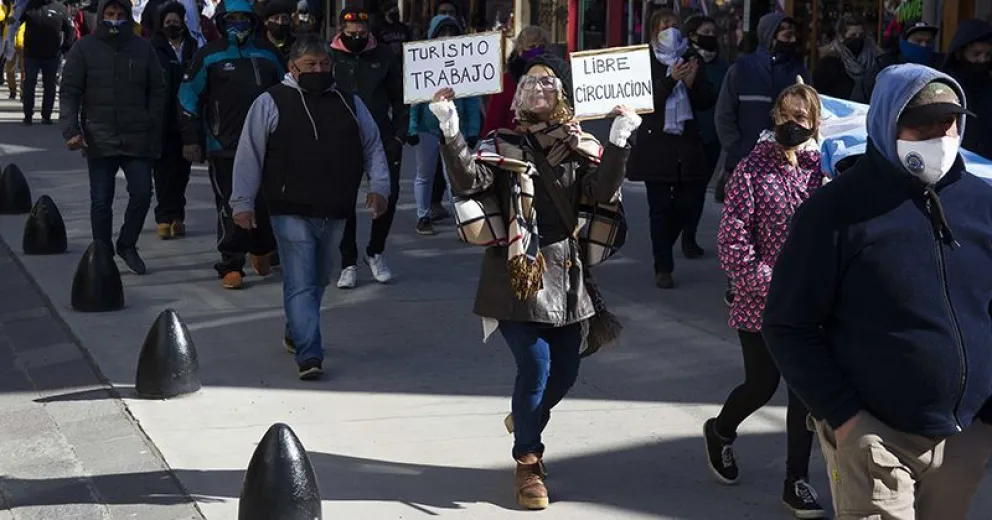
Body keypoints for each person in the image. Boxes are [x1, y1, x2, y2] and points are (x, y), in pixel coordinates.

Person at [763, 64, 992, 520]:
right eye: (921, 124)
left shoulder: (983, 204)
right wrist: (845, 418)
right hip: (875, 438)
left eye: (947, 123)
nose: (938, 137)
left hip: (966, 436)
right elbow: (788, 324)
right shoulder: (834, 212)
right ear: (886, 122)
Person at [436, 52, 640, 510]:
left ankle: (525, 418)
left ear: (562, 95)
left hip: (567, 272)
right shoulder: (501, 141)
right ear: (518, 96)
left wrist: (620, 141)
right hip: (516, 270)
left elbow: (602, 192)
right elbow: (469, 181)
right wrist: (450, 130)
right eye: (531, 84)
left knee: (565, 372)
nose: (540, 90)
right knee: (536, 367)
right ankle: (528, 460)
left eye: (548, 84)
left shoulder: (579, 144)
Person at [230, 36, 390, 380]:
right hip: (289, 207)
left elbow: (373, 145)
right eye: (311, 65)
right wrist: (241, 201)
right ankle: (309, 353)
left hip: (335, 207)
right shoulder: (270, 102)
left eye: (325, 64)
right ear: (292, 68)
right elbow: (249, 155)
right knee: (300, 279)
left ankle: (296, 328)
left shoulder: (350, 102)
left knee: (318, 278)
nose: (319, 70)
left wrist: (380, 188)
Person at [703, 82, 826, 519]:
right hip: (763, 302)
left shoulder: (821, 171)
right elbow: (732, 244)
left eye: (803, 119)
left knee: (804, 396)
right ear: (774, 117)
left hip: (811, 306)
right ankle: (720, 432)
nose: (793, 126)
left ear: (815, 125)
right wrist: (770, 282)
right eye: (786, 117)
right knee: (762, 385)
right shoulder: (750, 171)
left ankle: (797, 480)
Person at [179, 0, 285, 289]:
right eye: (232, 18)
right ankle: (231, 263)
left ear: (253, 21)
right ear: (223, 21)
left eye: (244, 18)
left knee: (264, 203)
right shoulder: (209, 55)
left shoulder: (267, 53)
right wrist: (191, 138)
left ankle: (262, 249)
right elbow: (188, 98)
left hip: (267, 144)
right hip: (223, 144)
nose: (239, 23)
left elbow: (287, 90)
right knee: (231, 203)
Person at [59, 0, 166, 275]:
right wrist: (71, 130)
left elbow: (158, 89)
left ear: (128, 17)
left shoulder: (143, 48)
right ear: (101, 16)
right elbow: (70, 91)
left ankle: (127, 244)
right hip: (100, 136)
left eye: (120, 15)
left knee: (142, 194)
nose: (115, 19)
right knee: (101, 201)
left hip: (136, 136)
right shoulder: (84, 49)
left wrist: (151, 121)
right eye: (109, 14)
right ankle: (102, 253)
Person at [714, 11, 808, 305]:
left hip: (786, 164)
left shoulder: (798, 71)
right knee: (741, 227)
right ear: (769, 35)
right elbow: (724, 115)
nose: (790, 40)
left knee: (780, 227)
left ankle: (775, 282)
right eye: (785, 35)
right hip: (744, 162)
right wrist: (738, 150)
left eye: (793, 36)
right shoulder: (741, 69)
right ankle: (738, 282)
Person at [627, 9, 717, 289]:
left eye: (675, 25)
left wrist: (691, 85)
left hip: (686, 144)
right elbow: (642, 101)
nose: (671, 29)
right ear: (654, 31)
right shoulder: (645, 60)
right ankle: (662, 265)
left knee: (688, 202)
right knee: (660, 208)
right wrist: (670, 80)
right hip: (657, 144)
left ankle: (666, 241)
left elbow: (707, 99)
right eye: (665, 26)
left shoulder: (691, 58)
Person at [330, 6, 407, 289]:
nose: (357, 38)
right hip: (342, 137)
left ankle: (375, 251)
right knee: (343, 200)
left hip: (381, 136)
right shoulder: (331, 56)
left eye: (362, 34)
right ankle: (347, 261)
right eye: (351, 34)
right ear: (341, 31)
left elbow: (400, 97)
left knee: (389, 194)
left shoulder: (384, 55)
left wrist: (400, 135)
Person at [406, 13, 481, 236]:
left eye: (452, 34)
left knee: (455, 177)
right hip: (427, 128)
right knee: (424, 174)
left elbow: (471, 100)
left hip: (454, 129)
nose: (447, 38)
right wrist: (411, 128)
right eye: (442, 34)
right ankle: (423, 215)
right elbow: (415, 100)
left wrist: (473, 130)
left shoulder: (463, 65)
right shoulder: (423, 63)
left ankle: (462, 221)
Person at [150, 1, 196, 240]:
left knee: (182, 170)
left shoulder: (193, 46)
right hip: (162, 118)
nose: (172, 25)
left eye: (176, 22)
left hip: (187, 117)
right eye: (168, 22)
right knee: (163, 170)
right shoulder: (153, 47)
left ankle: (178, 215)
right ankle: (164, 216)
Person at [684, 14, 729, 181]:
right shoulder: (683, 60)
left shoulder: (723, 66)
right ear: (693, 35)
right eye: (706, 31)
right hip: (688, 133)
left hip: (712, 133)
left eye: (713, 32)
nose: (710, 35)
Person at [851, 21, 942, 103]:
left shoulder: (940, 66)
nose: (923, 45)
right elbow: (861, 98)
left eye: (928, 41)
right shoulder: (884, 67)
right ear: (904, 42)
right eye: (918, 41)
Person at [482, 26, 549, 136]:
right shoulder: (507, 81)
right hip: (514, 144)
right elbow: (494, 121)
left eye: (540, 46)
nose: (536, 50)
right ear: (520, 49)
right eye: (531, 46)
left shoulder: (553, 77)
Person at [942, 18, 992, 160]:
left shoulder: (988, 85)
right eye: (976, 54)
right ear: (960, 53)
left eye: (988, 55)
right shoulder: (944, 87)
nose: (982, 60)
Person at [18, 0, 73, 125]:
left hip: (52, 55)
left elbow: (70, 30)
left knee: (50, 86)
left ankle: (46, 116)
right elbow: (17, 22)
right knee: (29, 85)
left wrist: (65, 48)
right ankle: (28, 115)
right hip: (31, 55)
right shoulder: (30, 5)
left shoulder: (60, 8)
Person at [813, 14, 879, 100]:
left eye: (861, 35)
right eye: (853, 35)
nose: (857, 39)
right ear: (841, 37)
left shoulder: (874, 57)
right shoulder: (829, 60)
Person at [3, 7, 23, 99]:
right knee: (9, 69)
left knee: (24, 69)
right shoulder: (9, 5)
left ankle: (23, 91)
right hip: (11, 41)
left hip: (24, 41)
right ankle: (12, 91)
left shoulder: (28, 6)